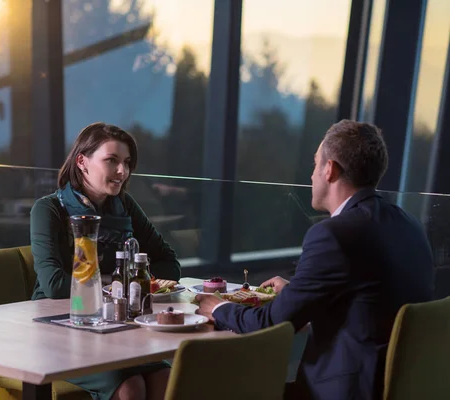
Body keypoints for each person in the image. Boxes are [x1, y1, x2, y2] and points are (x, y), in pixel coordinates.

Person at [195, 120, 434, 400]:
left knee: (211, 389)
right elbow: (366, 302)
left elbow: (272, 323)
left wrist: (219, 308)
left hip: (340, 392)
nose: (311, 176)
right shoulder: (408, 224)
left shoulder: (333, 235)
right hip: (395, 388)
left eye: (314, 165)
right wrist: (295, 293)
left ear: (330, 170)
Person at [30, 122, 181, 400]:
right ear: (82, 162)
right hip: (59, 330)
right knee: (130, 386)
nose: (122, 171)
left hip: (116, 328)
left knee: (166, 378)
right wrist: (123, 283)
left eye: (126, 162)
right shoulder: (49, 209)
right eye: (111, 161)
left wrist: (119, 284)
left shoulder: (124, 205)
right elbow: (54, 285)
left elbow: (170, 265)